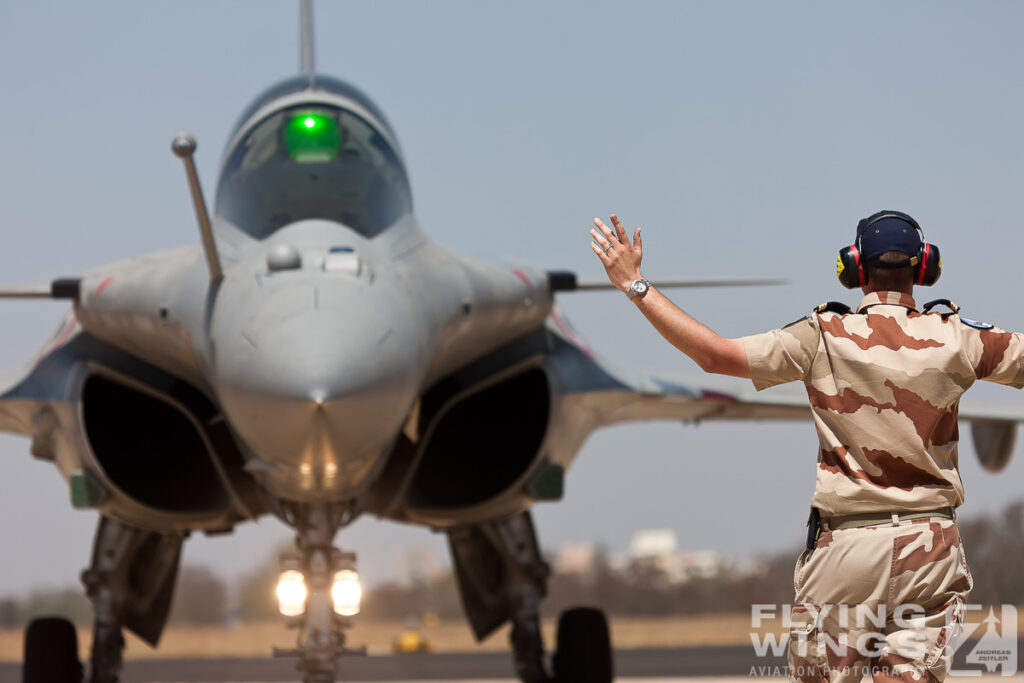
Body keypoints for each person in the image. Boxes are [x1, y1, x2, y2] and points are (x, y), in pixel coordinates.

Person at [589, 211, 1021, 682]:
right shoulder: (959, 338)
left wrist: (635, 285)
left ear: (854, 267)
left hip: (847, 553)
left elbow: (713, 355)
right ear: (924, 269)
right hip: (931, 551)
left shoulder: (822, 337)